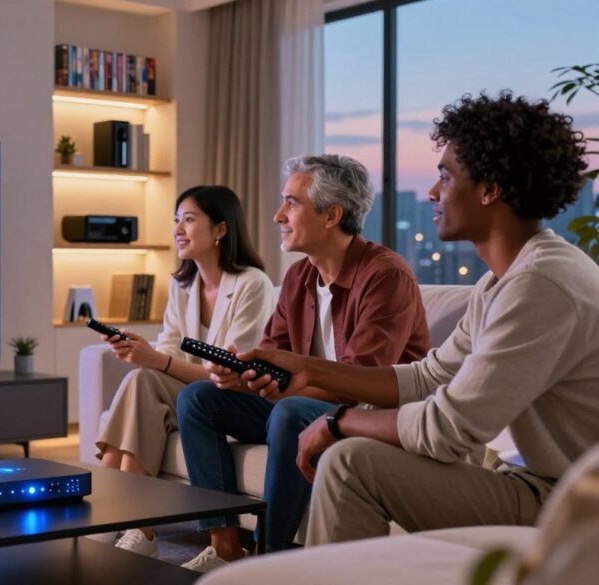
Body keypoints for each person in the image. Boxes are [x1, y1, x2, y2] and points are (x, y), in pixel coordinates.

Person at [235, 92, 599, 548]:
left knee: (351, 463)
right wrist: (308, 369)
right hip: (531, 483)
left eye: (445, 176)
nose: (431, 192)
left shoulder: (541, 284)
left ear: (490, 190)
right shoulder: (500, 283)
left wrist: (337, 421)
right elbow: (429, 376)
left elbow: (449, 429)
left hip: (568, 503)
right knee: (350, 459)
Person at [175, 155, 430, 572]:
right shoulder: (299, 278)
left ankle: (271, 561)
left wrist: (286, 388)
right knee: (199, 398)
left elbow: (364, 380)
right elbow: (272, 356)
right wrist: (238, 375)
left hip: (365, 414)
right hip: (303, 405)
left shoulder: (386, 276)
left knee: (291, 411)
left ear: (332, 215)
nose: (278, 216)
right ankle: (225, 546)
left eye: (291, 204)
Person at [94, 185, 276, 558]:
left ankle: (115, 518)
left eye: (189, 220)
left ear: (221, 230)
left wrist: (156, 361)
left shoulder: (252, 285)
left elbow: (235, 373)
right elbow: (169, 351)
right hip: (193, 392)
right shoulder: (183, 285)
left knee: (146, 378)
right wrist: (144, 355)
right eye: (176, 220)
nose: (178, 229)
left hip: (236, 398)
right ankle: (133, 525)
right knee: (142, 378)